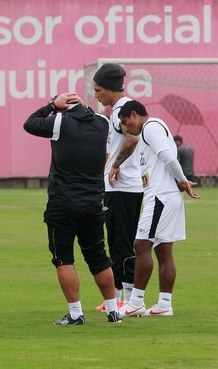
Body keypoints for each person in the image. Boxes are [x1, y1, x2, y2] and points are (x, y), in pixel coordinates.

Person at [23, 92, 121, 325]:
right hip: (93, 203)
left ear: (61, 108)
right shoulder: (102, 123)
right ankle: (113, 310)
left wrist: (51, 106)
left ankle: (76, 314)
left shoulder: (59, 121)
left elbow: (30, 123)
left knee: (63, 258)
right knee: (98, 257)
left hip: (63, 203)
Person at [115, 101, 200, 318]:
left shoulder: (151, 127)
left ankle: (135, 302)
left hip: (161, 196)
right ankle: (164, 304)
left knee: (141, 245)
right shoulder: (149, 131)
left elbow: (168, 157)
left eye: (125, 122)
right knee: (163, 250)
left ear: (134, 114)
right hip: (164, 196)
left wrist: (182, 181)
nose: (125, 128)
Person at [91, 63, 143, 311]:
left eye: (98, 89)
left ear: (109, 88)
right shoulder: (120, 108)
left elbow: (132, 137)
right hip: (122, 187)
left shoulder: (122, 109)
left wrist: (116, 166)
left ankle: (130, 300)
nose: (96, 94)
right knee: (117, 241)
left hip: (122, 187)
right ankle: (118, 296)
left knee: (122, 242)